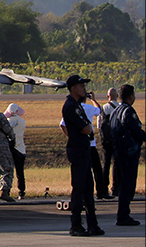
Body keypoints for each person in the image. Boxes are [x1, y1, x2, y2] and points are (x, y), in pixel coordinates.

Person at [62, 74, 104, 236]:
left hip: (84, 148)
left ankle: (93, 224)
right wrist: (87, 127)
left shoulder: (78, 105)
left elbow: (87, 127)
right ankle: (76, 225)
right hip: (77, 149)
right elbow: (87, 129)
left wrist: (87, 127)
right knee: (79, 188)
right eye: (81, 86)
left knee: (88, 187)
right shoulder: (71, 106)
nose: (84, 89)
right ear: (73, 89)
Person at [60, 89, 109, 199]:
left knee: (82, 172)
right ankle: (101, 191)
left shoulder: (72, 108)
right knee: (96, 169)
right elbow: (100, 111)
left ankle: (82, 197)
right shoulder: (89, 108)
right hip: (90, 144)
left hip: (77, 143)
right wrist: (93, 100)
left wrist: (70, 135)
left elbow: (62, 124)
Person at [110, 83, 146, 227]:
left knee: (122, 184)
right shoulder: (128, 111)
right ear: (131, 96)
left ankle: (123, 214)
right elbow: (136, 130)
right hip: (129, 154)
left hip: (117, 152)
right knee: (128, 185)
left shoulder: (115, 111)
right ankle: (123, 215)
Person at [99, 87, 121, 200]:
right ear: (117, 96)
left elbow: (99, 124)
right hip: (117, 140)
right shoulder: (120, 107)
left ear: (108, 96)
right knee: (117, 164)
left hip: (106, 141)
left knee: (106, 164)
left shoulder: (104, 107)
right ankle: (116, 188)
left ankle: (104, 187)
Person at [4, 103, 27, 199]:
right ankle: (21, 192)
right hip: (20, 149)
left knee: (8, 172)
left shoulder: (6, 123)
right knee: (20, 172)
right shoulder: (22, 122)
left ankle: (7, 191)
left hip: (10, 149)